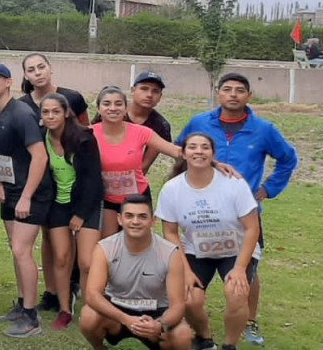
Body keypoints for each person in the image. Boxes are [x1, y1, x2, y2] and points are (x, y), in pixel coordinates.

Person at [178, 72, 298, 347]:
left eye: (240, 90)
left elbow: (288, 159)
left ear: (249, 96)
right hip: (202, 214)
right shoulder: (200, 122)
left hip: (245, 217)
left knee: (246, 273)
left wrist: (267, 190)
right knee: (196, 275)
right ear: (218, 93)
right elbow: (181, 151)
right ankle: (199, 329)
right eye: (227, 89)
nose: (233, 94)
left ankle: (250, 321)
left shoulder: (264, 129)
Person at [158, 132, 261, 350]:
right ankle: (205, 339)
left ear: (213, 154)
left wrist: (241, 268)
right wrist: (185, 271)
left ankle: (230, 345)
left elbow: (253, 228)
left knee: (236, 293)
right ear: (183, 154)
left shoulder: (233, 183)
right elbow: (170, 232)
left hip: (236, 250)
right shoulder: (172, 188)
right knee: (189, 298)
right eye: (192, 147)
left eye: (205, 147)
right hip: (196, 250)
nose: (199, 151)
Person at [0, 63, 49, 338]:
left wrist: (27, 196)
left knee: (22, 250)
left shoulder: (21, 113)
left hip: (32, 192)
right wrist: (0, 183)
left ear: (9, 82)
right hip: (11, 189)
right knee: (14, 248)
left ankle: (32, 317)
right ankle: (21, 304)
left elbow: (40, 156)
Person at [80, 194, 193, 350]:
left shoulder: (170, 253)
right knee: (88, 316)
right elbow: (92, 294)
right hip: (118, 311)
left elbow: (178, 305)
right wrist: (126, 319)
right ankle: (99, 348)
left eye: (142, 216)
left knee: (183, 335)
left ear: (153, 221)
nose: (135, 221)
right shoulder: (104, 248)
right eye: (129, 216)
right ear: (119, 219)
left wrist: (160, 325)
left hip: (157, 312)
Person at [37, 93, 104, 330]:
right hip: (58, 204)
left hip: (86, 202)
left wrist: (81, 214)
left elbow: (94, 180)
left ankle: (91, 307)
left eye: (56, 111)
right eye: (46, 112)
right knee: (62, 257)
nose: (51, 116)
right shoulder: (42, 138)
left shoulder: (84, 138)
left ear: (66, 113)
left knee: (86, 262)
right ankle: (65, 309)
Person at [93, 86, 184, 238]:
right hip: (107, 198)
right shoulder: (90, 133)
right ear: (99, 108)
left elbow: (176, 151)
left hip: (138, 196)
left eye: (118, 104)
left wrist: (213, 162)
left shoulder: (141, 132)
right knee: (109, 245)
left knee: (137, 241)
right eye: (107, 104)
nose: (113, 108)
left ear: (125, 108)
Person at [17, 53, 89, 124]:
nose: (37, 73)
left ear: (51, 68)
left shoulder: (73, 97)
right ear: (25, 75)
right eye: (31, 70)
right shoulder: (20, 106)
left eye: (41, 67)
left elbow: (86, 130)